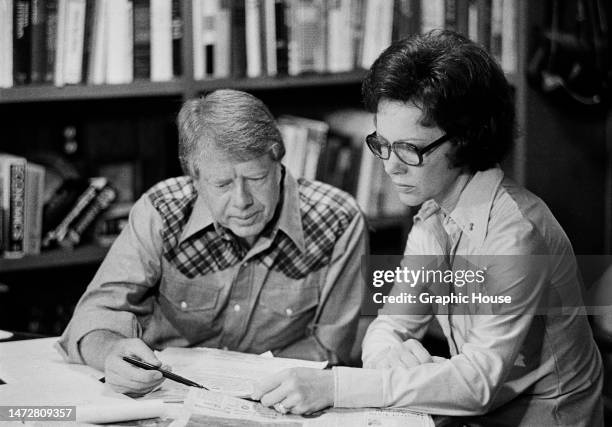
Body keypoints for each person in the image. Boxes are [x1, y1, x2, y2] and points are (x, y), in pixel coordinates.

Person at [252, 30, 604, 426]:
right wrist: (391, 358)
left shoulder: (515, 237)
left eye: (409, 149)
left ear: (465, 139)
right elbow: (391, 323)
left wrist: (336, 386)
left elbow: (476, 384)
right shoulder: (433, 213)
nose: (389, 166)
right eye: (382, 144)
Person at [57, 89, 367, 396]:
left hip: (274, 400)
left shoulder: (338, 220)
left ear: (278, 161)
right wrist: (113, 353)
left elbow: (332, 346)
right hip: (164, 397)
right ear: (193, 176)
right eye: (222, 184)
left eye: (256, 179)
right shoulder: (163, 210)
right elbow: (92, 317)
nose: (242, 201)